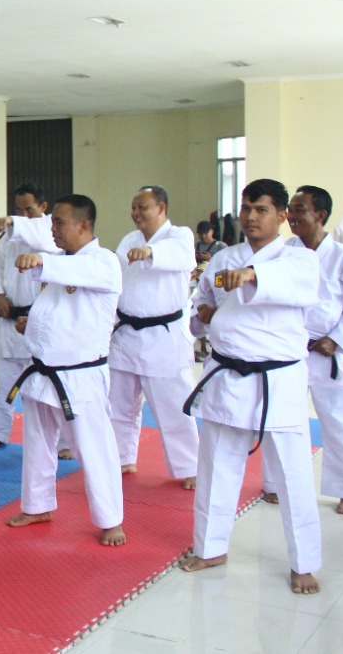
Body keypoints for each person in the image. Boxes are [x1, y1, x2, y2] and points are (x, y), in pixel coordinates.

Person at [182, 178, 322, 594]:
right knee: (216, 466)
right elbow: (201, 301)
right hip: (228, 374)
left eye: (261, 209)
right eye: (246, 208)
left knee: (293, 476)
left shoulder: (300, 259)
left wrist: (251, 275)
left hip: (278, 379)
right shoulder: (224, 257)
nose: (251, 217)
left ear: (282, 216)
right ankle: (210, 548)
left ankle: (304, 563)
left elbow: (294, 285)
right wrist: (203, 314)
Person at [0, 194, 126, 546]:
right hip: (43, 373)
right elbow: (60, 314)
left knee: (93, 450)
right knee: (38, 444)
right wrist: (31, 326)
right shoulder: (60, 263)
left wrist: (42, 260)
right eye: (52, 222)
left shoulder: (103, 261)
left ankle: (110, 519)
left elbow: (79, 274)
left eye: (58, 222)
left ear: (83, 225)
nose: (52, 229)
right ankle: (37, 506)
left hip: (80, 378)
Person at [264, 186, 343, 515]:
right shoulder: (282, 253)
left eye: (299, 210)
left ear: (320, 215)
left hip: (329, 351)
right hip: (288, 348)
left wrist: (337, 339)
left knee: (342, 423)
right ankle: (275, 483)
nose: (291, 216)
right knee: (280, 419)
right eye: (290, 209)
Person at [108, 186, 199, 489]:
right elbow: (117, 278)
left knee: (174, 407)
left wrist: (151, 252)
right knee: (119, 404)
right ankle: (121, 457)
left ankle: (190, 467)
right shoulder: (129, 240)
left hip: (163, 337)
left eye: (142, 207)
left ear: (161, 208)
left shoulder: (180, 236)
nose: (136, 213)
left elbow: (180, 256)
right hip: (126, 333)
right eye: (133, 207)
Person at [0, 183, 61, 453]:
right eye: (18, 210)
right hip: (10, 318)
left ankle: (63, 441)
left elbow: (39, 236)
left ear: (43, 207)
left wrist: (12, 221)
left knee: (49, 388)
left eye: (29, 209)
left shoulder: (51, 231)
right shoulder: (9, 237)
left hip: (39, 322)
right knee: (3, 383)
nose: (23, 215)